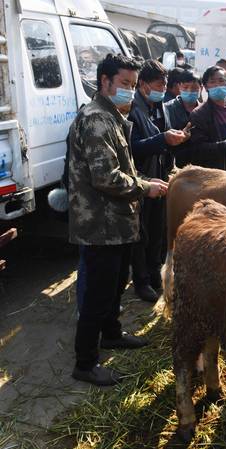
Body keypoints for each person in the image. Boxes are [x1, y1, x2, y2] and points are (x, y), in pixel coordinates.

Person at [67, 53, 168, 386]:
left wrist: (143, 182)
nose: (129, 90)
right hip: (101, 225)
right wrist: (145, 186)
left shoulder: (112, 116)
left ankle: (111, 334)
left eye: (132, 85)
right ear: (104, 82)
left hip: (119, 222)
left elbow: (122, 166)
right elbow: (106, 177)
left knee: (113, 286)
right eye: (123, 84)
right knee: (98, 293)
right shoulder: (96, 119)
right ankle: (86, 361)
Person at [128, 60, 189, 303]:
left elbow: (164, 138)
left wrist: (174, 142)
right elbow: (131, 148)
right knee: (140, 233)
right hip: (141, 179)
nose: (163, 89)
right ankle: (140, 281)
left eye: (165, 84)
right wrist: (163, 139)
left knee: (157, 229)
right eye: (158, 84)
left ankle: (154, 272)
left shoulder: (159, 106)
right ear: (142, 84)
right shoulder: (132, 109)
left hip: (161, 177)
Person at [164, 70, 203, 168]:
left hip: (200, 166)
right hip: (176, 166)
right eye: (185, 87)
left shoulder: (205, 110)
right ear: (179, 87)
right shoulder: (167, 109)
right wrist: (179, 137)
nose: (190, 91)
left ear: (201, 88)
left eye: (194, 88)